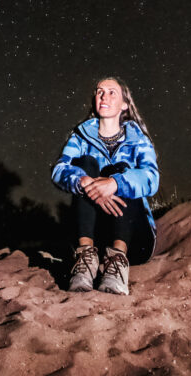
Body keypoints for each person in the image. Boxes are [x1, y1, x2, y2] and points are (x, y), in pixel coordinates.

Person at [51, 76, 159, 296]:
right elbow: (59, 170)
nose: (104, 96)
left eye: (112, 92)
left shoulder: (138, 140)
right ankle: (85, 260)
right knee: (84, 164)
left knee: (120, 169)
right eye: (100, 91)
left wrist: (114, 183)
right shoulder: (80, 137)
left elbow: (151, 178)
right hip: (94, 231)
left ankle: (117, 263)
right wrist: (86, 183)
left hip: (135, 240)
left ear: (124, 104)